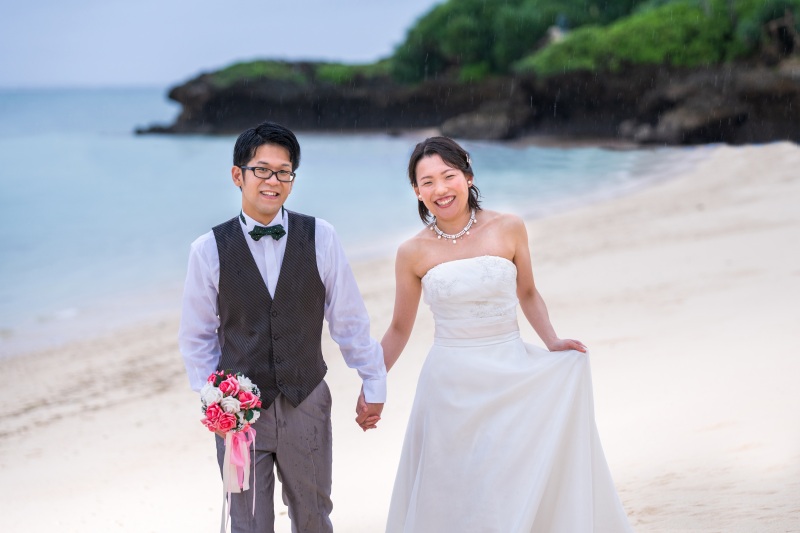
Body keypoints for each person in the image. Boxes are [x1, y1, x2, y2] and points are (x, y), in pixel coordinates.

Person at [378, 137, 633, 532]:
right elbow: (398, 328)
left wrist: (552, 342)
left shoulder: (509, 228)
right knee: (455, 487)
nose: (440, 189)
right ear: (416, 191)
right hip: (450, 387)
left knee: (508, 479)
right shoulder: (411, 252)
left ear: (468, 176)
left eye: (448, 176)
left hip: (510, 372)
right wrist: (372, 383)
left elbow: (528, 292)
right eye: (427, 182)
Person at [178, 120, 386, 533]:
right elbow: (196, 335)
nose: (273, 180)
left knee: (312, 515)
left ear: (292, 177)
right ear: (238, 175)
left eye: (284, 171)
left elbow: (347, 318)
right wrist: (215, 401)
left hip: (306, 398)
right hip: (238, 415)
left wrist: (373, 381)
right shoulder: (207, 250)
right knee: (248, 523)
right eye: (262, 169)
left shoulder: (321, 236)